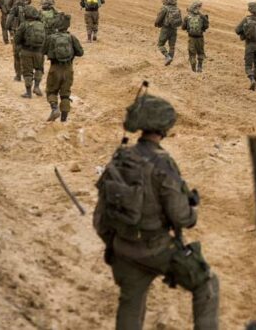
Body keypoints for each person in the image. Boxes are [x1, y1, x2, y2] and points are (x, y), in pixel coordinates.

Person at [93, 92, 220, 330]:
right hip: (156, 249)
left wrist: (114, 245)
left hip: (124, 248)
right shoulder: (163, 163)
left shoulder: (121, 158)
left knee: (130, 303)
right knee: (206, 283)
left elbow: (101, 216)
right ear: (163, 128)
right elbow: (181, 216)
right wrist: (193, 210)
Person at [44, 13, 84, 122]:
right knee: (65, 95)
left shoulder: (51, 38)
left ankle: (54, 109)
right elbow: (80, 52)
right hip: (68, 69)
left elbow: (43, 50)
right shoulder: (71, 37)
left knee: (51, 91)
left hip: (55, 68)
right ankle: (64, 119)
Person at [234, 2, 256, 91]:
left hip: (249, 45)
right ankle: (255, 82)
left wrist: (244, 33)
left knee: (248, 66)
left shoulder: (246, 19)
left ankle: (252, 79)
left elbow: (237, 30)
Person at [14, 5, 46, 98]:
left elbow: (17, 39)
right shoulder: (41, 24)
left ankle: (28, 92)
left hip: (26, 51)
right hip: (39, 52)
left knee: (27, 72)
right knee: (39, 69)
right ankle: (36, 86)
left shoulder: (24, 24)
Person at [6, 0, 32, 82]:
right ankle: (28, 74)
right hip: (28, 32)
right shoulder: (28, 1)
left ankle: (18, 75)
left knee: (16, 54)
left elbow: (8, 7)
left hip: (17, 30)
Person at [181, 1, 209, 73]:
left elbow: (183, 27)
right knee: (200, 52)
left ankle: (193, 69)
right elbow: (206, 26)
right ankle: (199, 67)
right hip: (200, 38)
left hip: (191, 38)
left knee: (192, 53)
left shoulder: (187, 17)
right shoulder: (202, 16)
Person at [154, 0, 182, 66]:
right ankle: (170, 59)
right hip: (174, 29)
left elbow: (159, 19)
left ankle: (167, 56)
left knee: (160, 45)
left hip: (165, 29)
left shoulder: (164, 8)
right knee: (172, 46)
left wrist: (156, 24)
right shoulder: (177, 9)